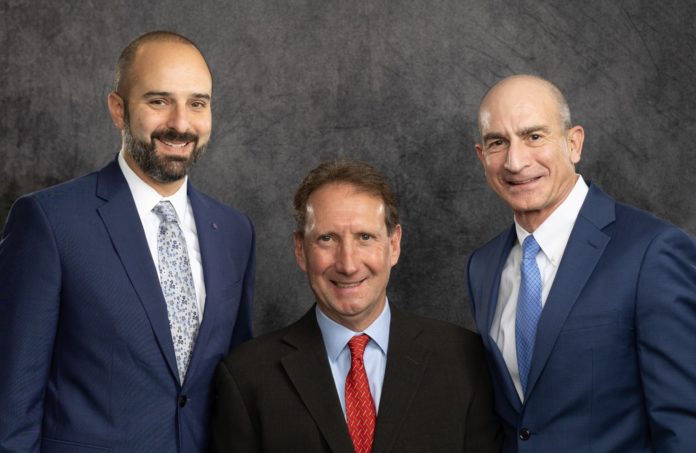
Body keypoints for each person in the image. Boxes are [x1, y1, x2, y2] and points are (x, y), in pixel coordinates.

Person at [0, 31, 255, 452]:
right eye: (159, 101)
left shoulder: (234, 232)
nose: (180, 123)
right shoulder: (49, 222)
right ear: (118, 109)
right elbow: (11, 405)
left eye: (197, 103)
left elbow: (238, 387)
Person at [467, 74, 696, 452]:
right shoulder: (483, 266)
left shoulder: (651, 252)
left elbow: (686, 425)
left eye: (534, 136)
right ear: (482, 156)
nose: (515, 161)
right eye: (497, 142)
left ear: (573, 144)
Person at [210, 159, 501, 452]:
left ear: (394, 245)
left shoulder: (464, 359)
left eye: (365, 237)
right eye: (327, 239)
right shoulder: (247, 376)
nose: (347, 265)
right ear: (300, 250)